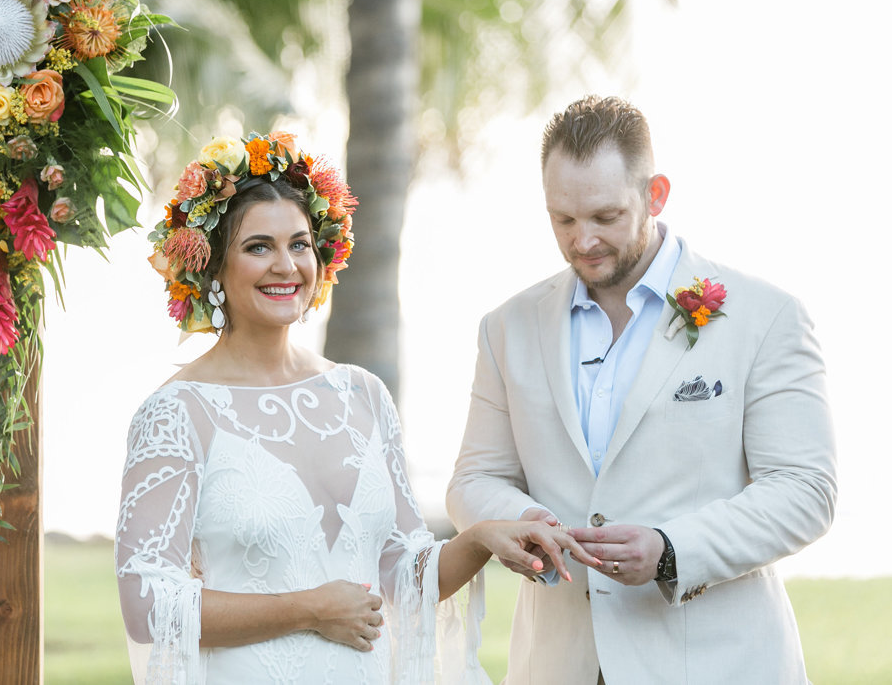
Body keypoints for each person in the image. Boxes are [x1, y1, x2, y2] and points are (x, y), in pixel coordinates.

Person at [115, 132, 598, 684]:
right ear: (212, 268)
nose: (286, 265)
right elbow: (146, 602)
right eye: (257, 247)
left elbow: (402, 572)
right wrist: (309, 610)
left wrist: (481, 537)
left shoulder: (361, 394)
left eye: (299, 244)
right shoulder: (177, 412)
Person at [446, 96, 837, 684]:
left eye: (606, 217)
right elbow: (474, 479)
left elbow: (806, 490)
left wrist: (670, 549)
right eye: (563, 219)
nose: (583, 241)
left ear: (655, 195)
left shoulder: (766, 316)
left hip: (717, 664)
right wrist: (522, 519)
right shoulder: (507, 328)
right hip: (558, 665)